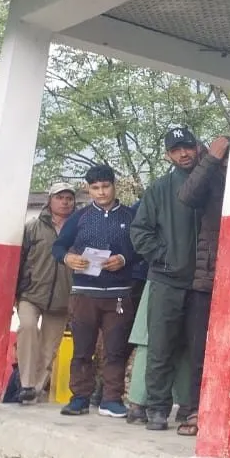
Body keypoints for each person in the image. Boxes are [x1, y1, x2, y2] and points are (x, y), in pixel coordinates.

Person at [54, 165, 142, 417]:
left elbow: (141, 248)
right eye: (95, 188)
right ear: (88, 188)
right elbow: (58, 247)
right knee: (82, 349)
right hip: (84, 292)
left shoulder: (130, 217)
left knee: (115, 349)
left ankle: (111, 399)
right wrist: (69, 258)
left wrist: (124, 260)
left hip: (119, 293)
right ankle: (79, 397)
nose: (101, 192)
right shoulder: (79, 217)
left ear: (115, 186)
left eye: (106, 186)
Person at [130, 127, 203, 433]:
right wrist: (165, 257)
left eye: (187, 147)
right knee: (160, 347)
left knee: (197, 349)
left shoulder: (213, 185)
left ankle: (190, 409)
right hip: (166, 280)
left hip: (201, 283)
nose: (184, 153)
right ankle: (157, 408)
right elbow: (139, 232)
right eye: (177, 150)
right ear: (168, 155)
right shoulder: (159, 189)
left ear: (197, 148)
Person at [175, 134, 229, 436]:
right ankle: (196, 409)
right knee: (200, 351)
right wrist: (211, 159)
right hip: (207, 277)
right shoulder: (211, 175)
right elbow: (187, 196)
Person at [13, 181, 76, 404]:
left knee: (50, 346)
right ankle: (27, 383)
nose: (65, 201)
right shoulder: (32, 227)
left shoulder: (79, 229)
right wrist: (15, 293)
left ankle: (34, 391)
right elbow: (18, 261)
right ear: (50, 200)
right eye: (60, 197)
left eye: (69, 198)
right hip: (31, 293)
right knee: (27, 328)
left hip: (63, 297)